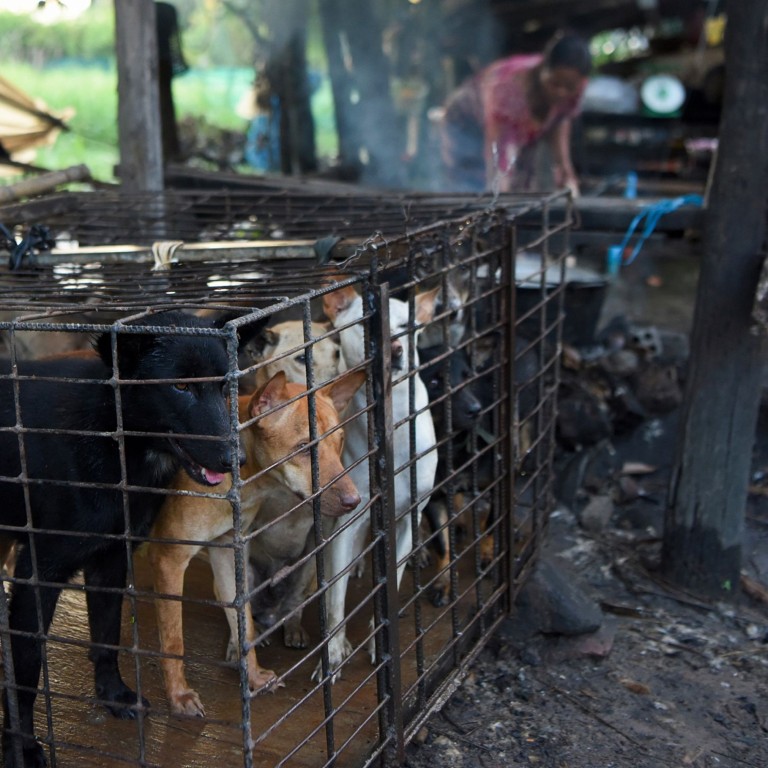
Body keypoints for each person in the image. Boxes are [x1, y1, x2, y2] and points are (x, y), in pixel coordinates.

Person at [439, 32, 592, 195]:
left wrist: (565, 170)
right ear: (543, 70)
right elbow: (499, 152)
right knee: (475, 180)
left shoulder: (577, 86)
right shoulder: (509, 87)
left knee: (524, 181)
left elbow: (560, 119)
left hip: (513, 128)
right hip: (467, 120)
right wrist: (499, 194)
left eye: (569, 87)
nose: (561, 92)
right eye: (555, 84)